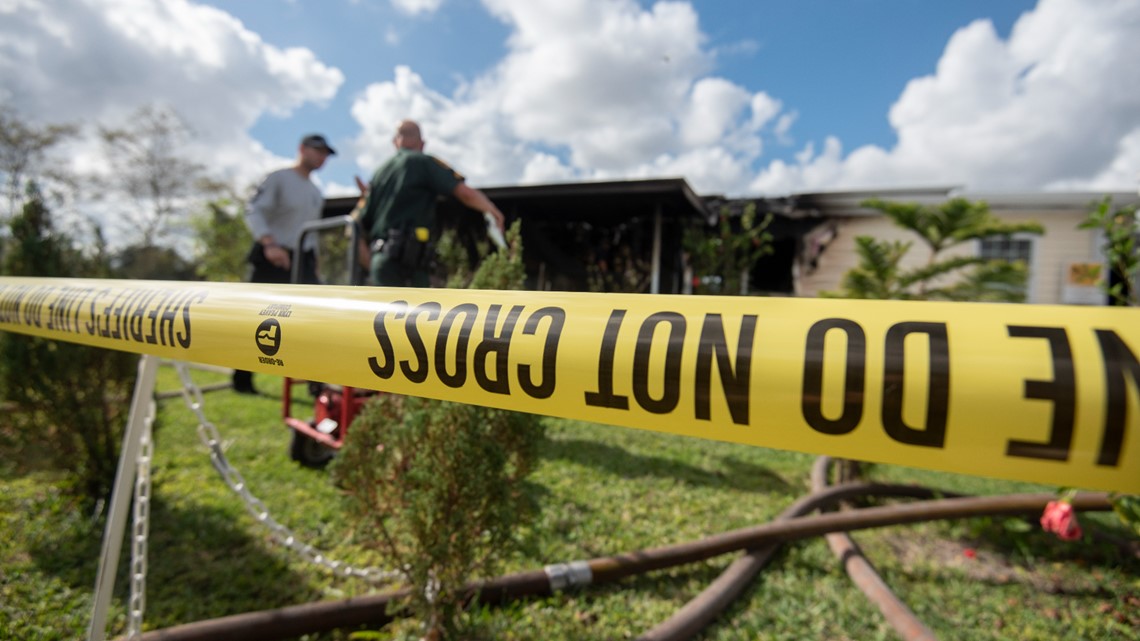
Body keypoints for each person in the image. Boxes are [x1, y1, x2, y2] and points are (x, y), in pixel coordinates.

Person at [232, 133, 335, 395]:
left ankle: (316, 383)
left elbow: (312, 232)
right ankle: (242, 380)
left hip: (304, 259)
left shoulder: (315, 191)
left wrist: (316, 265)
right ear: (302, 149)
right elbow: (254, 210)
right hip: (272, 256)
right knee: (255, 319)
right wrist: (269, 244)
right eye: (317, 151)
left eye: (325, 153)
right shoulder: (279, 178)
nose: (321, 157)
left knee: (315, 319)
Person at [356, 119, 505, 287]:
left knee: (383, 313)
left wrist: (373, 264)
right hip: (412, 265)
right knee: (417, 312)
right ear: (421, 143)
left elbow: (354, 226)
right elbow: (465, 193)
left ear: (395, 141)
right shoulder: (423, 162)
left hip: (382, 263)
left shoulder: (378, 174)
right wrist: (493, 211)